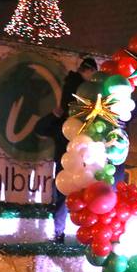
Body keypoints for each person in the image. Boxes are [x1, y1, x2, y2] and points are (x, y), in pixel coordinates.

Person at [50, 57, 98, 242]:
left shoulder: (72, 85)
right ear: (88, 70)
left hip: (72, 145)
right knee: (65, 187)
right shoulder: (77, 88)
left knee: (65, 188)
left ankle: (59, 231)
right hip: (70, 145)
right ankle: (59, 231)